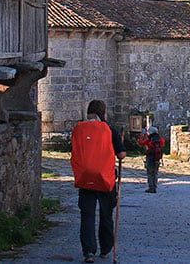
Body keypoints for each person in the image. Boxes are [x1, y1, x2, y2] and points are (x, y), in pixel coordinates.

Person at [73, 100, 126, 263]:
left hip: (85, 179)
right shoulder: (109, 130)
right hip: (105, 179)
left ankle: (89, 251)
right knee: (106, 214)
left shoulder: (79, 129)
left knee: (87, 215)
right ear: (103, 113)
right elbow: (121, 154)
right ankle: (105, 248)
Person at [139, 126, 165, 193]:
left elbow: (141, 143)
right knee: (155, 173)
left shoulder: (149, 140)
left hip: (150, 158)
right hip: (157, 158)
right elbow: (162, 145)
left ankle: (151, 188)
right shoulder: (160, 140)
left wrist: (142, 135)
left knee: (150, 173)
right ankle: (155, 186)